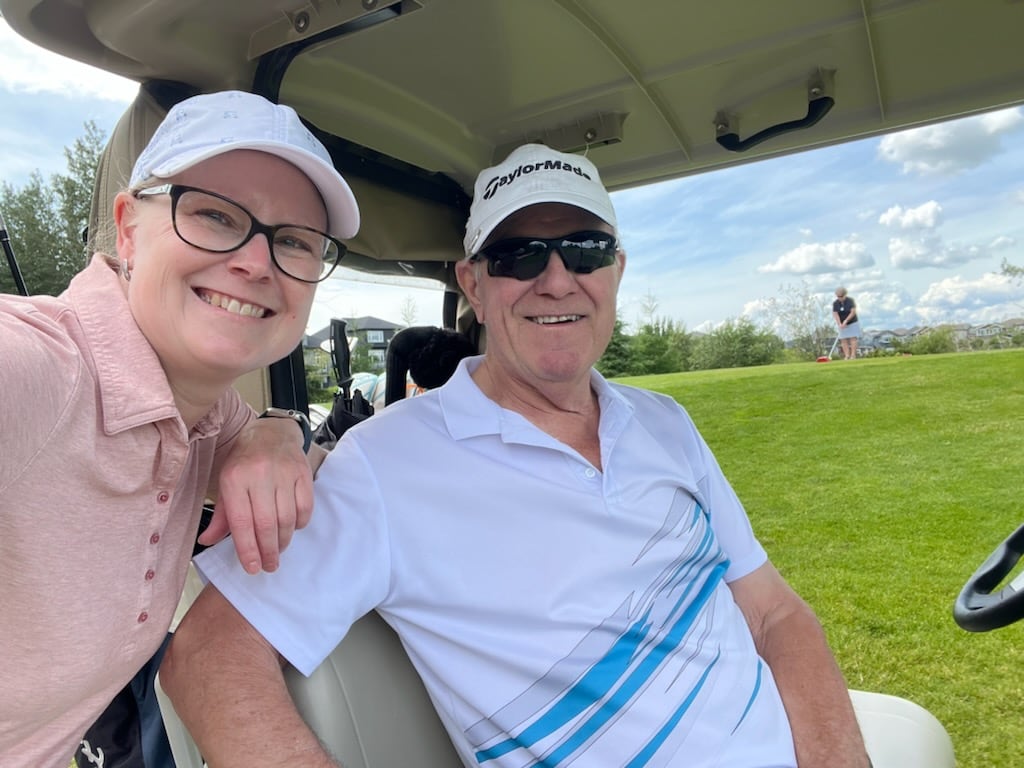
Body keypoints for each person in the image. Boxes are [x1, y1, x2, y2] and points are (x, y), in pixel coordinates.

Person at [162, 143, 871, 768]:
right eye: (519, 256)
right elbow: (206, 657)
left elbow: (774, 613)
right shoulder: (389, 464)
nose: (557, 280)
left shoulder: (665, 423)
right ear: (473, 283)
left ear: (616, 271)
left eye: (586, 250)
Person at [0, 90, 360, 768]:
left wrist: (277, 430)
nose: (257, 263)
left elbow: (246, 424)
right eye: (215, 216)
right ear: (129, 229)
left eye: (293, 241)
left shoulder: (203, 407)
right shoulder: (38, 369)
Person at [833, 287, 860, 360]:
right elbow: (835, 314)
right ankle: (847, 355)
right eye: (838, 296)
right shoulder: (835, 303)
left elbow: (853, 312)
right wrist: (839, 323)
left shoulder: (850, 301)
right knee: (843, 339)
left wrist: (846, 321)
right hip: (842, 324)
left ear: (845, 295)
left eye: (841, 296)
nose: (839, 298)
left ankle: (853, 355)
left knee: (852, 338)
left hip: (852, 322)